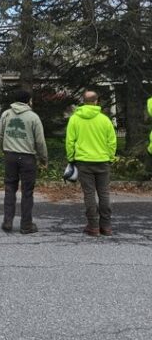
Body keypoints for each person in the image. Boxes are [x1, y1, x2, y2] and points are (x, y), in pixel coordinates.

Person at [65, 89, 117, 237]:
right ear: (96, 101)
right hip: (103, 161)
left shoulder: (75, 119)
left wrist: (71, 158)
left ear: (83, 101)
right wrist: (111, 157)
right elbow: (112, 141)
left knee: (89, 194)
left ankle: (93, 226)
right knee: (104, 193)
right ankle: (106, 226)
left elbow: (70, 141)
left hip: (83, 161)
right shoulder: (104, 120)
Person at [0, 89, 48, 234]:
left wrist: (3, 149)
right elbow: (40, 141)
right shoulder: (33, 117)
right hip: (27, 158)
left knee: (10, 188)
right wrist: (43, 158)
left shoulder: (6, 114)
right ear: (28, 100)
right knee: (27, 191)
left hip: (10, 156)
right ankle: (26, 225)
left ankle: (7, 221)